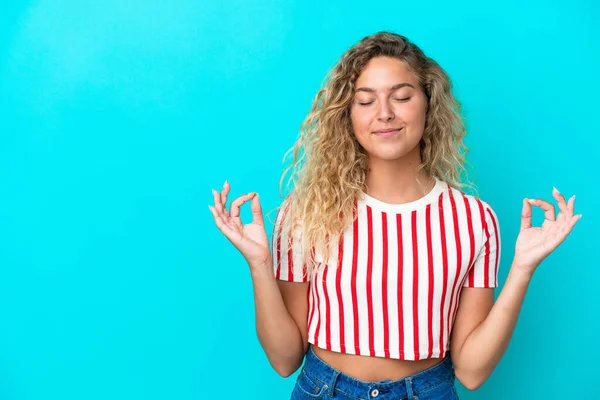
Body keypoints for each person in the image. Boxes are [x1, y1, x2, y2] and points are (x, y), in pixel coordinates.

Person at [208, 31, 581, 400]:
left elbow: (471, 372)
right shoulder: (307, 211)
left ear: (429, 103)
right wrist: (259, 264)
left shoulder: (474, 220)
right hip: (324, 390)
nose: (384, 114)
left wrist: (522, 268)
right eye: (365, 101)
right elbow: (285, 359)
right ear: (348, 116)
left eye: (401, 97)